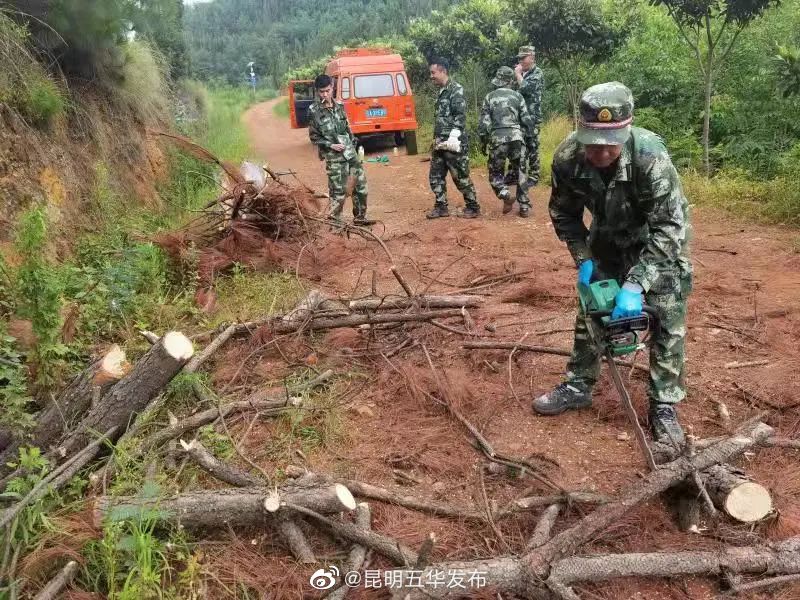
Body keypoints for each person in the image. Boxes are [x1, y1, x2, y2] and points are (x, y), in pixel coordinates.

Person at [533, 81, 693, 446]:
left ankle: (664, 404)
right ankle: (578, 384)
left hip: (658, 236)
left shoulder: (650, 158)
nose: (601, 151)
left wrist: (637, 285)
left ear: (627, 130)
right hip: (606, 231)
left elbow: (669, 226)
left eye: (610, 143)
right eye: (593, 141)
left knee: (667, 309)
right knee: (593, 305)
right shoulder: (567, 158)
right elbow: (563, 213)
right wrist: (584, 260)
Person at [307, 74, 369, 225]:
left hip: (350, 154)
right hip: (334, 158)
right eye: (321, 92)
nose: (325, 94)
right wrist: (330, 145)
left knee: (361, 187)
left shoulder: (340, 105)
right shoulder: (314, 111)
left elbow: (347, 129)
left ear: (332, 87)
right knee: (338, 192)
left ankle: (360, 217)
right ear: (317, 91)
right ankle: (336, 224)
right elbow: (314, 137)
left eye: (327, 90)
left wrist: (354, 146)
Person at [426, 58, 480, 219]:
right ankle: (441, 206)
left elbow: (460, 116)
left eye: (433, 73)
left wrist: (454, 136)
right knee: (435, 175)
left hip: (453, 143)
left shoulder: (456, 90)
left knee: (460, 176)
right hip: (440, 143)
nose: (431, 76)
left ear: (443, 71)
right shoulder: (441, 91)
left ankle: (473, 206)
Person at [478, 66, 535, 217]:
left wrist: (483, 142)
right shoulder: (518, 97)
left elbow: (484, 124)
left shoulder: (489, 97)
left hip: (498, 139)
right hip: (517, 138)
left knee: (495, 173)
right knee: (521, 172)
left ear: (498, 80)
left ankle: (505, 194)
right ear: (510, 81)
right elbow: (527, 120)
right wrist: (530, 141)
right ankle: (524, 206)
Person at [514, 45, 544, 211]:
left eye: (523, 58)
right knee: (523, 148)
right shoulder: (523, 73)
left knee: (532, 146)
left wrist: (518, 75)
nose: (520, 61)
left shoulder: (537, 73)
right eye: (519, 58)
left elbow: (525, 88)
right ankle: (524, 175)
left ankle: (534, 175)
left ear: (532, 57)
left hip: (532, 118)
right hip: (520, 118)